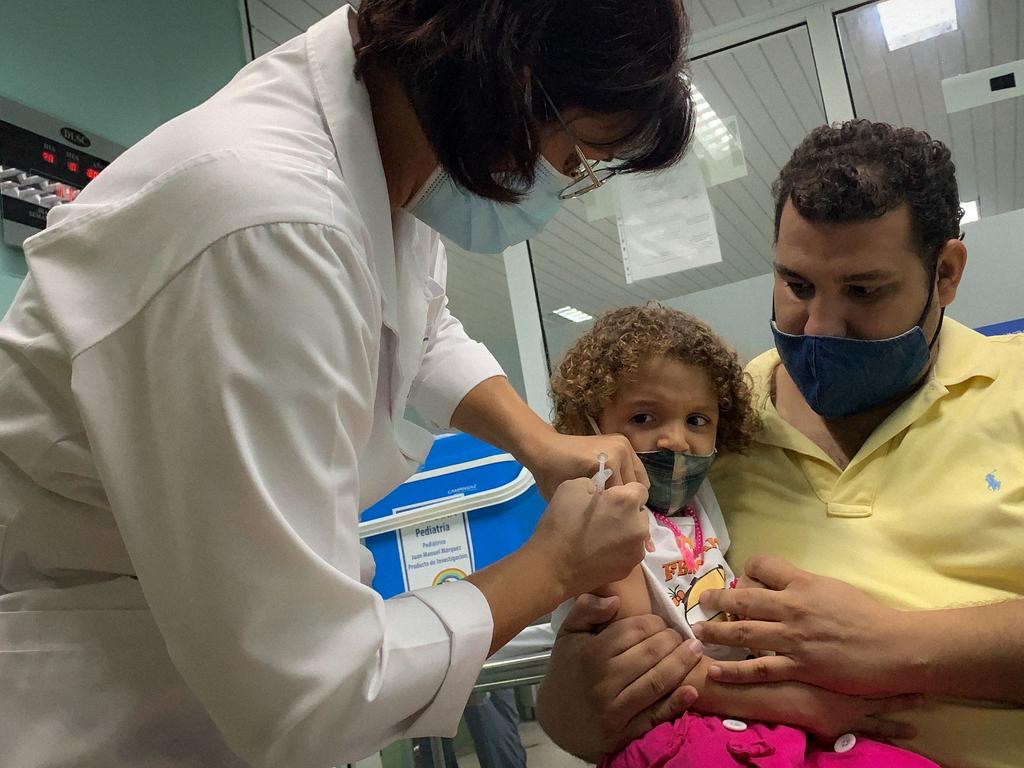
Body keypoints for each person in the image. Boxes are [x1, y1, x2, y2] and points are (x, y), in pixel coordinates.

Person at [0, 2, 698, 766]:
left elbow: (415, 325)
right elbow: (311, 693)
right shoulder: (264, 224)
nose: (564, 186)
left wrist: (538, 442)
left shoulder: (395, 150)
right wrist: (553, 565)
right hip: (85, 691)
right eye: (576, 159)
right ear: (512, 82)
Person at [537, 120, 1024, 768]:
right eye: (797, 285)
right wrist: (569, 709)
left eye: (864, 291)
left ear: (946, 273)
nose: (819, 327)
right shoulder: (712, 421)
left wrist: (898, 645)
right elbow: (595, 688)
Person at [548, 303, 935, 767]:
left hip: (742, 706)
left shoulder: (695, 503)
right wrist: (804, 705)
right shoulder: (600, 518)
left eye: (696, 420)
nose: (676, 440)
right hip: (676, 722)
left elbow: (703, 588)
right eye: (644, 418)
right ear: (588, 425)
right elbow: (650, 665)